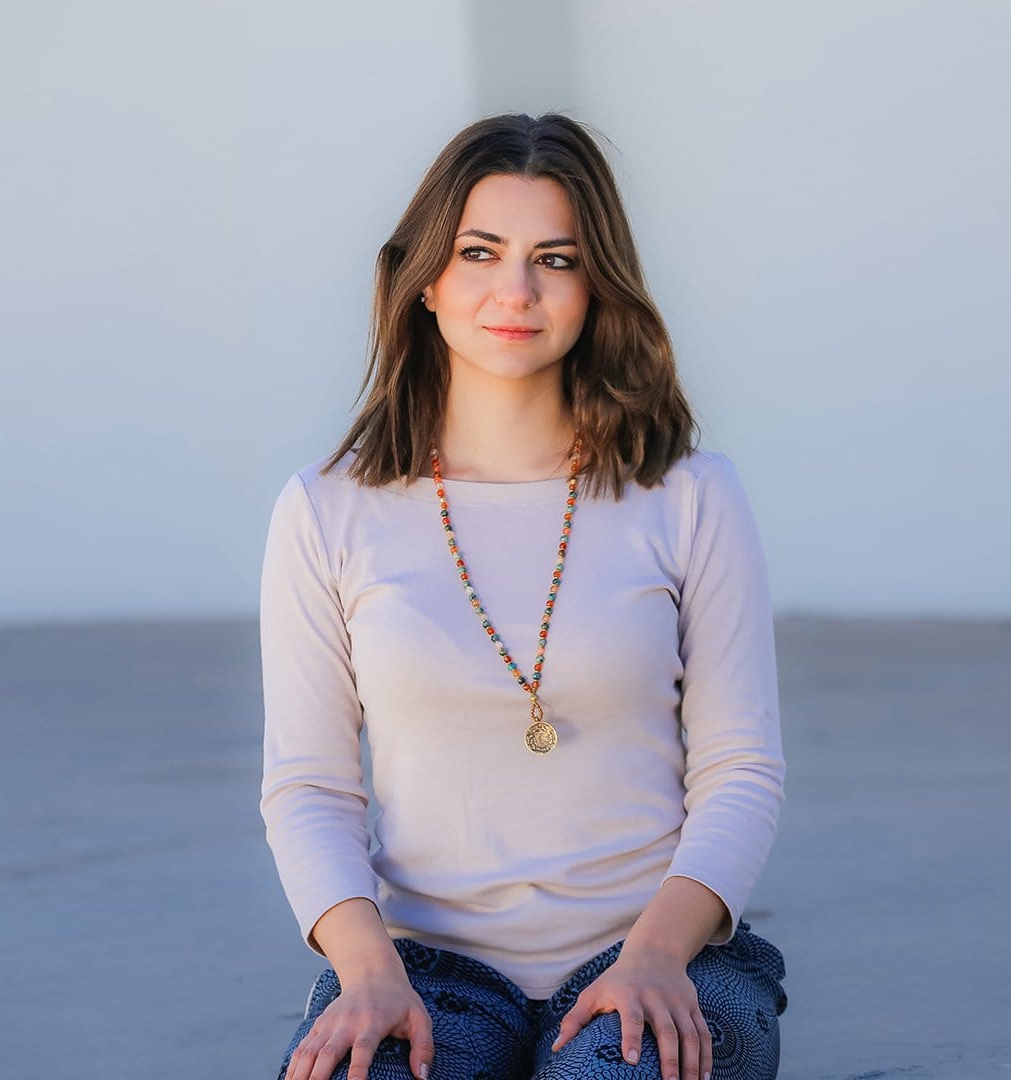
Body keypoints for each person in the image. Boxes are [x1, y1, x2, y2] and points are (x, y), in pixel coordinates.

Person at [260, 112, 787, 1080]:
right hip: (422, 968)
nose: (517, 289)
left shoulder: (689, 495)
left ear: (597, 287)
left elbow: (741, 767)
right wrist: (366, 973)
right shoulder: (328, 508)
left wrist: (657, 955)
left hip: (654, 948)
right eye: (480, 252)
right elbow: (310, 785)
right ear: (424, 278)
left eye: (556, 259)